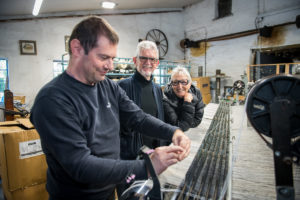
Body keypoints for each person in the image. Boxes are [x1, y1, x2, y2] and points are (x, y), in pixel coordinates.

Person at [30, 16, 190, 200]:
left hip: (108, 191)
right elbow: (80, 165)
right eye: (104, 57)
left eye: (112, 58)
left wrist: (174, 132)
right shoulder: (53, 99)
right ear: (77, 48)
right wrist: (147, 167)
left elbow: (138, 117)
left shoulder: (107, 86)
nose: (110, 66)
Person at [118, 40, 165, 161]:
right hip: (131, 156)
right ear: (135, 60)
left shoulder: (158, 89)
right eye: (143, 58)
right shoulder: (122, 87)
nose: (148, 62)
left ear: (157, 63)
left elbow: (159, 120)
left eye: (152, 59)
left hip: (154, 154)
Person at [163, 66, 205, 132]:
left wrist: (186, 123)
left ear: (190, 83)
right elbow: (179, 126)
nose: (180, 86)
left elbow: (197, 120)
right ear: (171, 84)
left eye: (183, 82)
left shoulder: (196, 92)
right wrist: (188, 103)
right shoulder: (166, 98)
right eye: (175, 82)